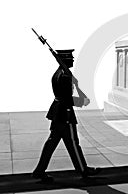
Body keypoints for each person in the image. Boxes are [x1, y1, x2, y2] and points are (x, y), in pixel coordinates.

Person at [32, 49, 100, 182]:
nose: (73, 60)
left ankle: (39, 171)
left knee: (52, 143)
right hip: (65, 113)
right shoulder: (65, 76)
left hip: (58, 112)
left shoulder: (57, 74)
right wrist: (82, 101)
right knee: (73, 143)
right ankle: (83, 169)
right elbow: (67, 98)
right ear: (65, 60)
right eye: (70, 58)